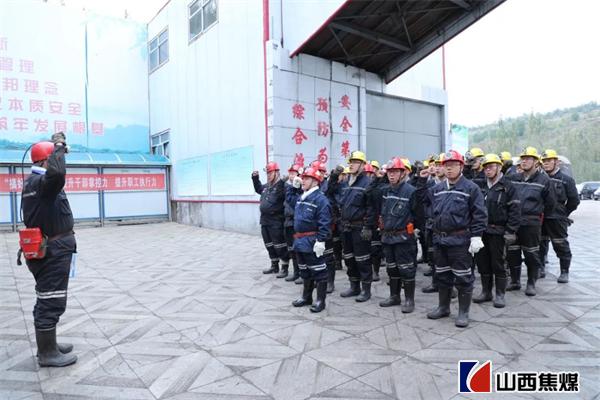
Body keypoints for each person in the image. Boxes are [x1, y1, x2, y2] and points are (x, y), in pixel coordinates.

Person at [22, 132, 77, 367]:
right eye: (54, 157)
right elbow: (58, 173)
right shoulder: (42, 182)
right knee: (51, 299)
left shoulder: (37, 183)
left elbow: (55, 175)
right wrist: (59, 145)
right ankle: (47, 353)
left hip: (51, 248)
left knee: (48, 297)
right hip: (53, 250)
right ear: (46, 161)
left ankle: (49, 344)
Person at [418, 150, 487, 328]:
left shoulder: (471, 188)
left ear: (461, 167)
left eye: (453, 165)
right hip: (440, 239)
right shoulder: (438, 189)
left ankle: (463, 312)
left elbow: (479, 214)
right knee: (442, 275)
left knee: (463, 277)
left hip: (460, 240)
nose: (449, 169)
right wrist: (422, 180)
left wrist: (476, 236)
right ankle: (443, 307)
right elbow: (421, 199)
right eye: (446, 165)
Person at [506, 147, 556, 296]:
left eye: (528, 158)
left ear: (536, 162)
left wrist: (537, 215)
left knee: (531, 254)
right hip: (514, 223)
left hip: (531, 224)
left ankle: (531, 283)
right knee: (512, 253)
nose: (524, 161)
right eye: (523, 158)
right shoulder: (513, 178)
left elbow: (551, 204)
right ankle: (515, 281)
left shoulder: (544, 180)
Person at [327, 151, 376, 302]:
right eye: (351, 162)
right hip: (345, 227)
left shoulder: (367, 183)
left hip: (359, 227)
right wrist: (335, 175)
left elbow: (371, 207)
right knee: (349, 258)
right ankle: (354, 286)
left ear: (362, 165)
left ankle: (366, 289)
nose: (352, 165)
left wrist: (368, 227)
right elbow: (330, 190)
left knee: (362, 259)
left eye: (356, 162)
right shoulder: (345, 183)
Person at [473, 154, 521, 308]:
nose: (487, 170)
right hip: (482, 231)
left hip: (499, 232)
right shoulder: (480, 186)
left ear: (499, 167)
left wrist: (510, 231)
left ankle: (500, 294)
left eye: (491, 167)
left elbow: (515, 210)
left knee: (498, 263)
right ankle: (486, 292)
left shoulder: (508, 186)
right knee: (483, 263)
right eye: (485, 167)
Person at [372, 157, 418, 312]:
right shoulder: (385, 190)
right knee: (391, 268)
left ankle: (409, 300)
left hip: (403, 237)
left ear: (403, 173)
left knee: (406, 269)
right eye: (389, 172)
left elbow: (418, 215)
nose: (391, 175)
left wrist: (414, 231)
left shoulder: (411, 191)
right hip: (388, 236)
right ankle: (394, 296)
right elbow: (370, 195)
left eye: (395, 172)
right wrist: (377, 179)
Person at [289, 167, 332, 313]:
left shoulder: (321, 200)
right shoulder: (302, 196)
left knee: (319, 271)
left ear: (315, 181)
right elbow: (289, 200)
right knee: (305, 271)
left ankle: (320, 301)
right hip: (300, 240)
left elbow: (325, 222)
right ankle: (306, 297)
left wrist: (321, 241)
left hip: (312, 241)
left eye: (306, 178)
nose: (302, 181)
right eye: (303, 178)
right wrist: (293, 188)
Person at [540, 149, 579, 283]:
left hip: (557, 218)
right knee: (540, 243)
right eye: (544, 161)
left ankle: (564, 271)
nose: (546, 163)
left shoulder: (566, 180)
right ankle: (540, 268)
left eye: (549, 161)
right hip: (541, 217)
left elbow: (574, 200)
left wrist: (563, 213)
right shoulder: (539, 179)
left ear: (556, 162)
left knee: (560, 244)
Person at [252, 162, 289, 275]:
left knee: (279, 244)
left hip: (276, 220)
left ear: (277, 173)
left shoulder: (282, 186)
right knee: (269, 244)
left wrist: (282, 182)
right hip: (265, 220)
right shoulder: (267, 187)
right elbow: (258, 188)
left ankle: (284, 267)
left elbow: (283, 193)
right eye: (267, 173)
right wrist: (255, 178)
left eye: (270, 173)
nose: (268, 175)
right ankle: (274, 265)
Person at [283, 163, 304, 283]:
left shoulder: (301, 188)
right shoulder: (288, 188)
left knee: (299, 249)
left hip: (296, 222)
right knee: (291, 248)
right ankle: (296, 272)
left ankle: (302, 273)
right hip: (288, 222)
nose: (291, 176)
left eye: (293, 173)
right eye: (290, 173)